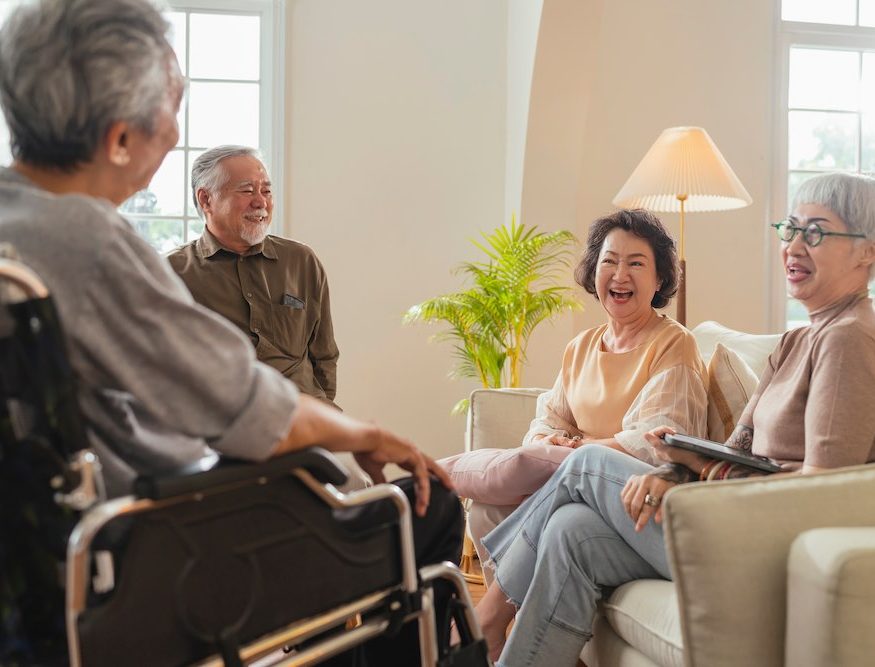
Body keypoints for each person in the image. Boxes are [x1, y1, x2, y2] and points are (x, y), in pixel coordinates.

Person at [0, 1, 459, 664]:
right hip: (151, 549)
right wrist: (364, 433)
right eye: (169, 109)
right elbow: (252, 411)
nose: (174, 128)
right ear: (120, 138)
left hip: (41, 564)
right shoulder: (90, 241)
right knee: (426, 502)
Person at [474, 171, 875, 666]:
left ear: (867, 252)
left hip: (761, 543)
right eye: (789, 229)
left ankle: (486, 620)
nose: (794, 246)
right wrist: (676, 466)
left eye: (816, 232)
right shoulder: (797, 340)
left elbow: (824, 492)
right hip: (734, 518)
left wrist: (702, 474)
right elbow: (741, 448)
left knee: (586, 464)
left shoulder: (848, 337)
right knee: (571, 531)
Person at [466, 208, 708, 569]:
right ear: (594, 271)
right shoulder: (581, 346)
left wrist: (575, 448)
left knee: (566, 496)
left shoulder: (674, 343)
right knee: (487, 507)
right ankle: (512, 614)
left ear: (660, 279)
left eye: (637, 264)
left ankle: (495, 614)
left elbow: (653, 443)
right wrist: (548, 442)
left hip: (626, 491)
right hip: (570, 477)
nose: (620, 275)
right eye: (609, 261)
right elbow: (548, 420)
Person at [168, 146, 340, 408]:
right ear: (205, 200)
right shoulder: (172, 272)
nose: (261, 202)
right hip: (221, 425)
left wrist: (322, 412)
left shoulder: (301, 261)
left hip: (302, 418)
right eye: (247, 190)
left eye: (267, 191)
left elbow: (324, 356)